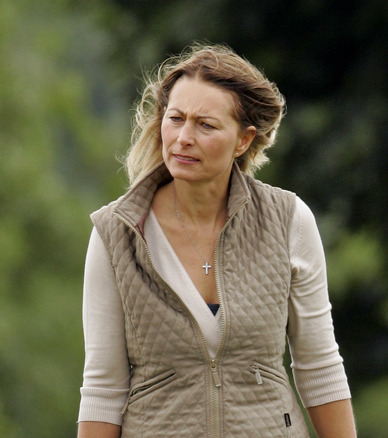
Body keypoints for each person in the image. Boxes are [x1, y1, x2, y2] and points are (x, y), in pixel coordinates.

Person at [76, 44, 356, 437]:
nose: (183, 137)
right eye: (175, 119)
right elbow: (104, 387)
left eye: (205, 125)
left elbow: (319, 366)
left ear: (243, 140)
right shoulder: (115, 233)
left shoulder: (289, 220)